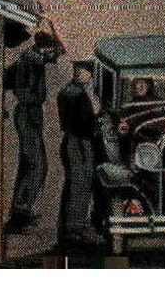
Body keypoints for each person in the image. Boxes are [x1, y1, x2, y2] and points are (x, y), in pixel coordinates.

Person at [5, 21, 64, 233]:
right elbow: (60, 51)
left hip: (30, 113)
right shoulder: (32, 57)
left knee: (28, 164)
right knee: (38, 166)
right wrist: (51, 26)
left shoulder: (28, 56)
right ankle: (20, 212)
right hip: (28, 113)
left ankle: (20, 211)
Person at [57, 60, 102, 250]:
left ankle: (71, 227)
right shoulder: (79, 94)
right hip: (80, 142)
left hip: (72, 140)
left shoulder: (67, 91)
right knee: (81, 185)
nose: (86, 75)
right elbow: (90, 118)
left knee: (75, 185)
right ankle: (75, 230)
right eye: (86, 72)